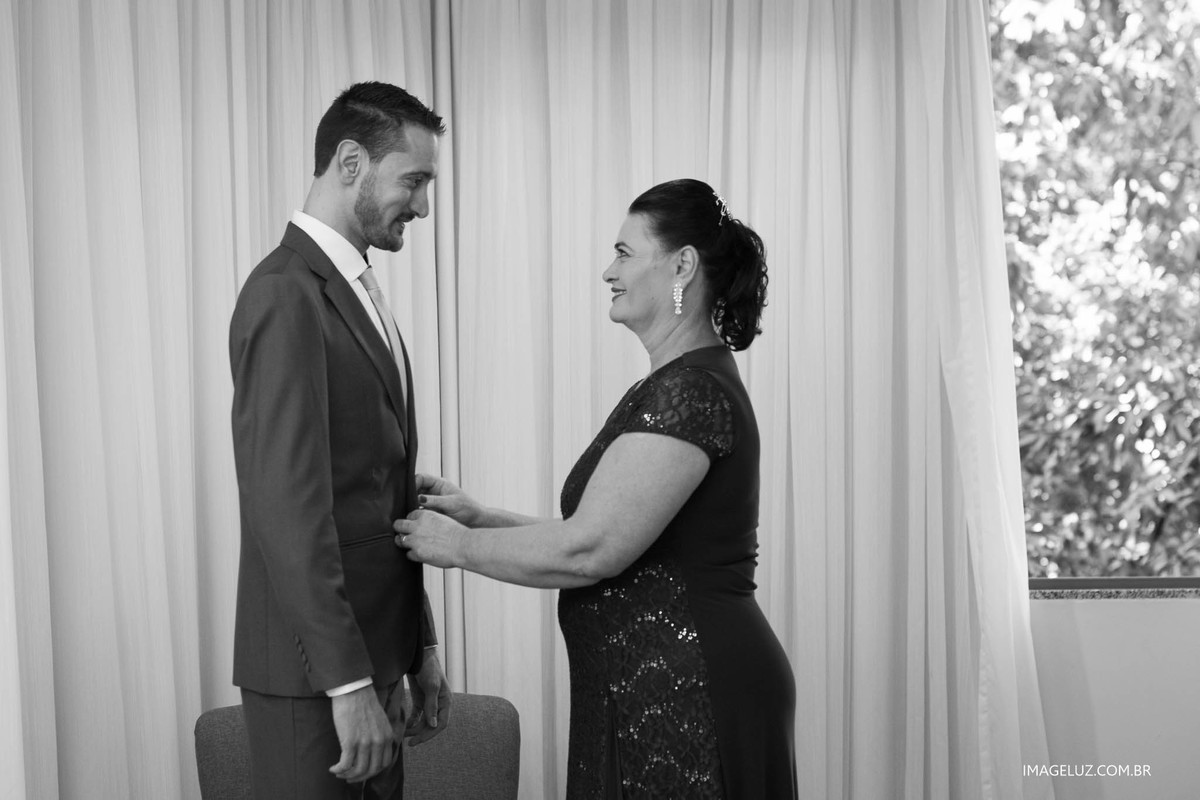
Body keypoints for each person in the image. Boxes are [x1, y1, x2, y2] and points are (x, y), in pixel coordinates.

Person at [396, 178, 798, 799]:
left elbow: (591, 550)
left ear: (682, 265)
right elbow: (608, 532)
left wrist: (455, 547)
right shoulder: (670, 383)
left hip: (687, 690)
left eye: (625, 253)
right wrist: (480, 518)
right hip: (643, 686)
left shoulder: (688, 392)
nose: (609, 271)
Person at [228, 81, 451, 800]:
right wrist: (348, 682)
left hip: (376, 662)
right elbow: (287, 508)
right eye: (413, 181)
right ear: (350, 162)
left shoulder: (356, 288)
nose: (422, 205)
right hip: (317, 680)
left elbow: (382, 495)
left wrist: (418, 649)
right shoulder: (284, 293)